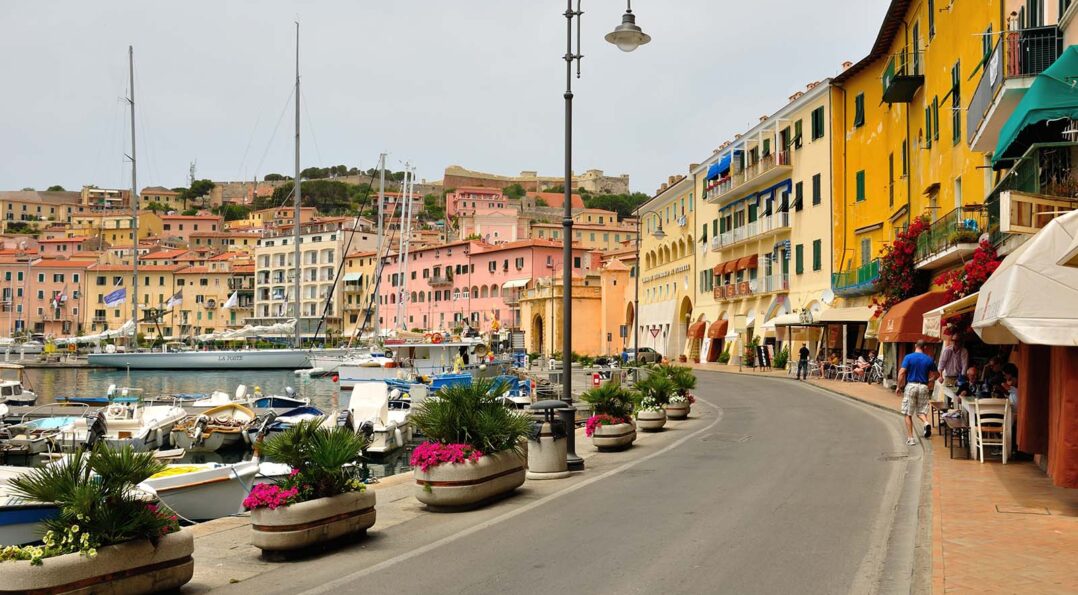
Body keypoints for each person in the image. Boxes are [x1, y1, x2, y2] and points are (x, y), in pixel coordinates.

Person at [897, 339, 940, 446]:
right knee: (921, 411)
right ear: (925, 347)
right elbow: (937, 375)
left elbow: (902, 372)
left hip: (911, 386)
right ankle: (926, 422)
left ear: (915, 345)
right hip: (923, 387)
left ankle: (911, 438)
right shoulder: (929, 359)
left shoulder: (908, 357)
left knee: (908, 413)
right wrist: (930, 380)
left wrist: (898, 386)